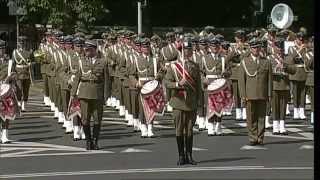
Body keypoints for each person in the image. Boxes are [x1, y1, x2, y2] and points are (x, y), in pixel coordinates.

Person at [165, 34, 201, 165]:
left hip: (191, 102)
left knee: (190, 129)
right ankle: (181, 155)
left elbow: (198, 86)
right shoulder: (173, 66)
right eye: (185, 50)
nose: (187, 52)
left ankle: (189, 155)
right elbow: (167, 82)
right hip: (178, 101)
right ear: (181, 51)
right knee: (179, 129)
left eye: (189, 50)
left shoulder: (194, 66)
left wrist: (200, 102)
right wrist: (178, 84)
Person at [71, 40, 108, 150]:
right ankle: (88, 140)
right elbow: (77, 78)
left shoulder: (103, 62)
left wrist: (106, 96)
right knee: (85, 119)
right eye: (86, 50)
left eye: (89, 50)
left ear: (95, 50)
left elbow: (106, 80)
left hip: (97, 93)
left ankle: (95, 141)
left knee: (97, 119)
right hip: (84, 93)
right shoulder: (81, 62)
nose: (86, 52)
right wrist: (73, 93)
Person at [239, 38, 272, 146]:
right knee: (251, 117)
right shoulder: (245, 62)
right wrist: (243, 96)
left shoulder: (266, 61)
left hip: (262, 94)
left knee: (261, 117)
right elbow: (241, 80)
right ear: (250, 49)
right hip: (250, 94)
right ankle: (253, 137)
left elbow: (269, 79)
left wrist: (269, 94)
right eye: (253, 47)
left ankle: (260, 137)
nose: (256, 49)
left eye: (258, 47)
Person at [268, 38, 296, 135]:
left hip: (285, 85)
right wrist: (275, 69)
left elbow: (293, 70)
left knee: (283, 106)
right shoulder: (270, 58)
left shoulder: (288, 57)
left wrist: (284, 65)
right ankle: (275, 126)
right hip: (274, 84)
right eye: (277, 47)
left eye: (281, 47)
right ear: (274, 47)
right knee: (275, 106)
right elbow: (266, 71)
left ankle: (282, 126)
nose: (280, 49)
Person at [8, 36, 33, 112]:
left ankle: (24, 104)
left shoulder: (29, 51)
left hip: (26, 73)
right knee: (19, 89)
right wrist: (12, 73)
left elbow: (33, 61)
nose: (22, 44)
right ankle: (19, 103)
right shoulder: (15, 52)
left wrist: (30, 64)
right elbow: (13, 63)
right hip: (18, 74)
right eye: (20, 43)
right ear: (18, 43)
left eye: (23, 42)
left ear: (25, 43)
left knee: (26, 90)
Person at [288, 31, 308, 120]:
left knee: (303, 93)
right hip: (295, 72)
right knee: (295, 93)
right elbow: (291, 57)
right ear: (296, 39)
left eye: (302, 39)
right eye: (299, 39)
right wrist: (300, 49)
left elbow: (306, 59)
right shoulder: (291, 48)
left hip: (303, 72)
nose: (301, 41)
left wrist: (304, 49)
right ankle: (296, 111)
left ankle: (302, 110)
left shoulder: (305, 48)